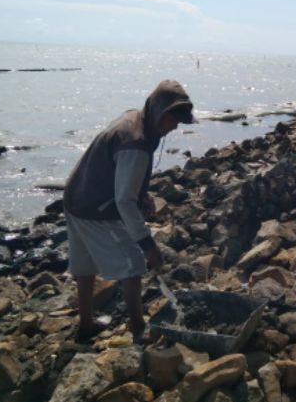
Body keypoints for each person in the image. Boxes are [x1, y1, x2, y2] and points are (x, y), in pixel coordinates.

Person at [63, 79, 197, 344]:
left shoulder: (135, 118)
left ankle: (86, 325)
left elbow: (120, 173)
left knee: (85, 266)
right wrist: (148, 245)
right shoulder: (136, 144)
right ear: (158, 111)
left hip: (75, 195)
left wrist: (142, 194)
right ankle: (138, 329)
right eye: (173, 119)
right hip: (95, 207)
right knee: (133, 265)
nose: (174, 127)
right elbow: (124, 201)